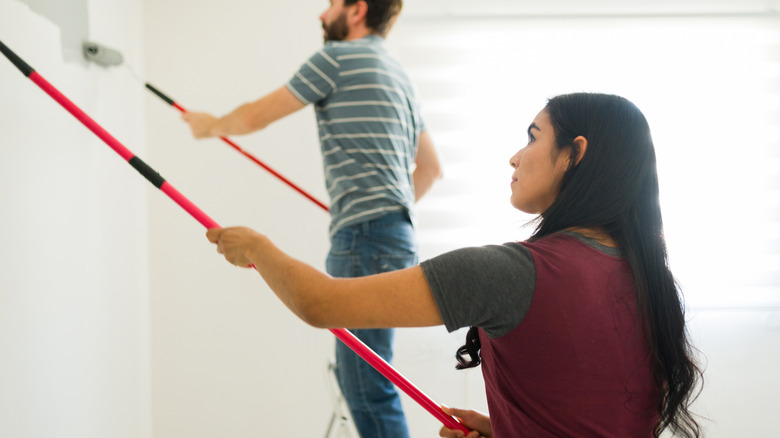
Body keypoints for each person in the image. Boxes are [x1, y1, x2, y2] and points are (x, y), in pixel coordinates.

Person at [206, 93, 703, 437]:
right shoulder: (654, 285)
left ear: (575, 154)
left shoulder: (511, 273)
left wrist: (256, 247)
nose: (515, 156)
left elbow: (320, 303)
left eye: (532, 137)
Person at [181, 1, 439, 436]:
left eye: (332, 4)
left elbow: (252, 117)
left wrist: (208, 125)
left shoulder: (337, 57)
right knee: (370, 381)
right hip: (396, 236)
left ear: (357, 10)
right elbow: (431, 169)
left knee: (365, 387)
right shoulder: (399, 75)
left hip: (365, 237)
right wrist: (383, 205)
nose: (322, 15)